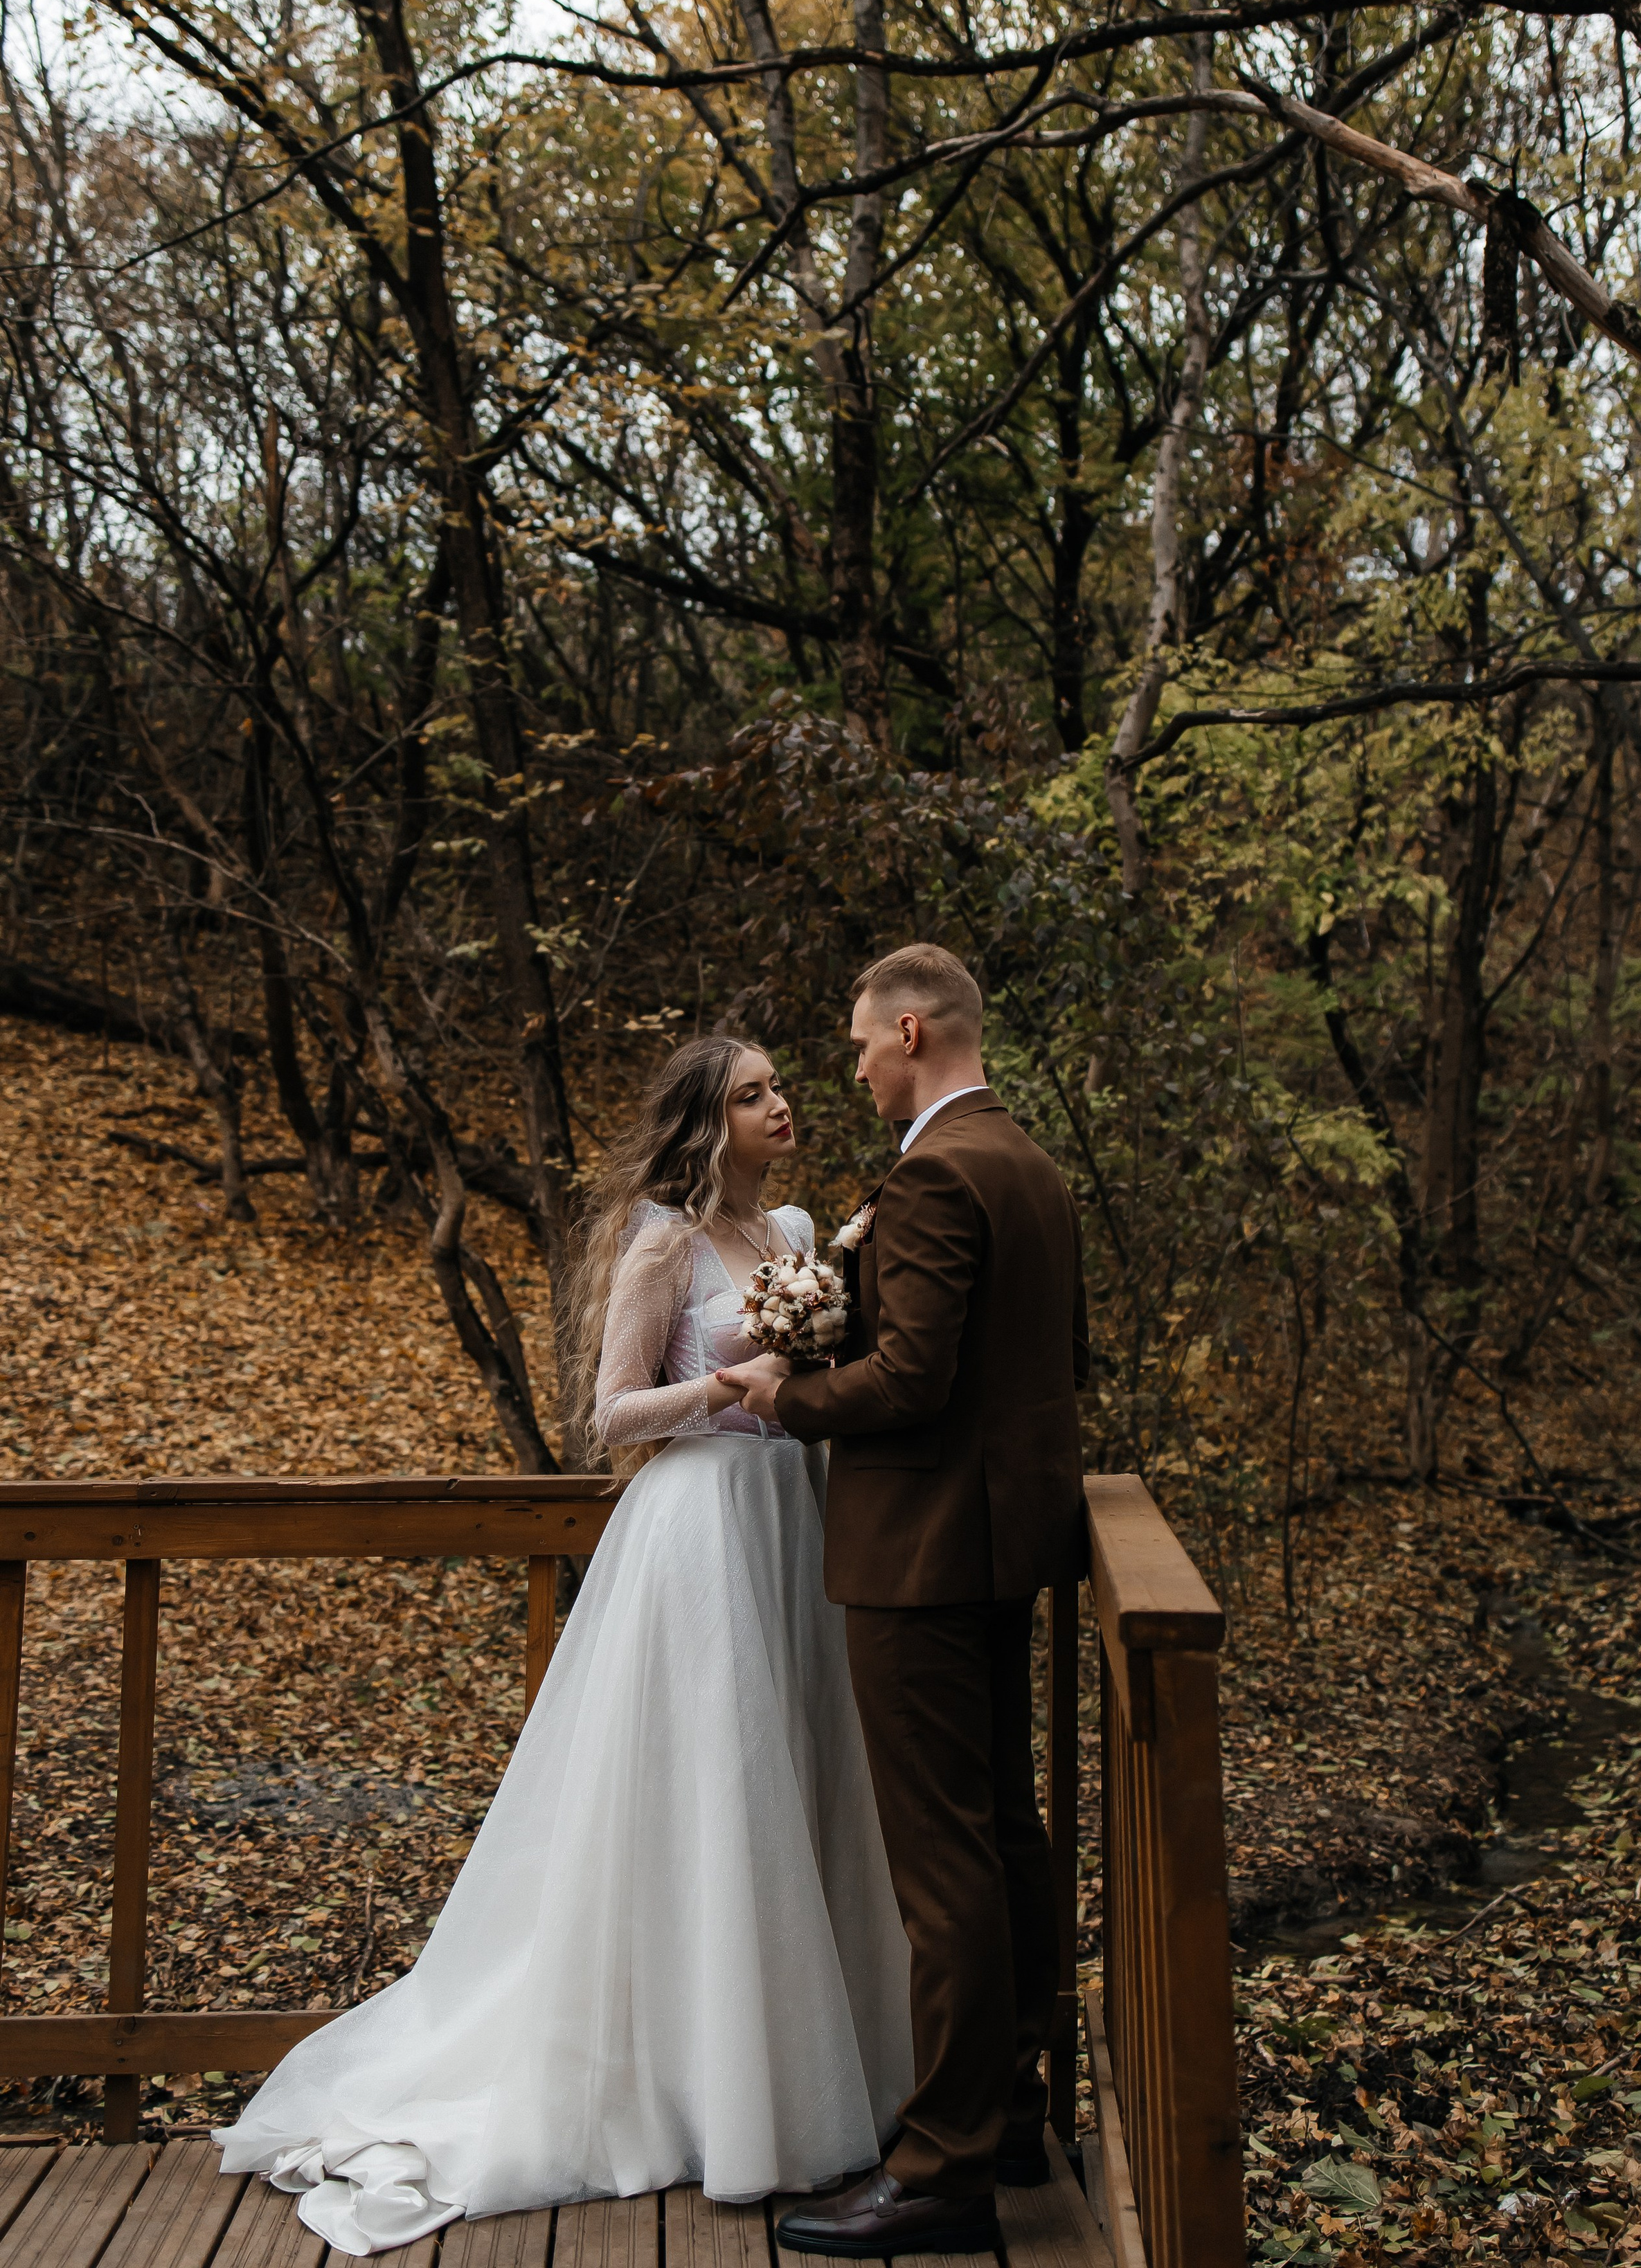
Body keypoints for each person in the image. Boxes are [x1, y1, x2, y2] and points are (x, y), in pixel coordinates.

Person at [214, 1037, 911, 2258]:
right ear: (706, 1123)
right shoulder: (664, 1245)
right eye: (751, 1095)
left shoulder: (798, 1227)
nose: (780, 1103)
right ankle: (711, 2098)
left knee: (797, 1782)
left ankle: (809, 2075)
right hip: (699, 1529)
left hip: (795, 1524)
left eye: (778, 1086)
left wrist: (814, 1363)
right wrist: (728, 1389)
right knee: (716, 1790)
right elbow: (608, 1412)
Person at [720, 944, 1088, 2261]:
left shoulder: (937, 1171)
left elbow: (914, 1383)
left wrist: (785, 1396)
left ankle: (939, 2171)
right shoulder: (1029, 1165)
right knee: (1001, 1835)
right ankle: (1004, 2116)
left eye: (866, 1042)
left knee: (942, 1867)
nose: (857, 1063)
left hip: (920, 1557)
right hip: (998, 1547)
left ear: (915, 1029)